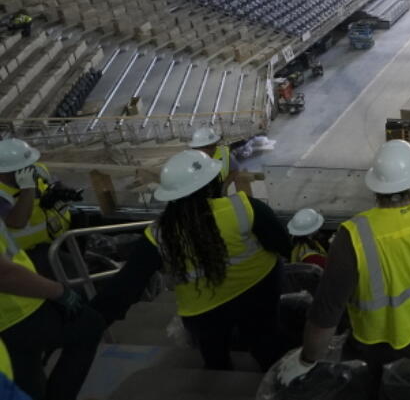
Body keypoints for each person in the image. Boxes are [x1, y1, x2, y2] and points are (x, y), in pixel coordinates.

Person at [279, 140, 410, 388]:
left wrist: (306, 360)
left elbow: (325, 316)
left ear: (376, 187)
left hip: (382, 355)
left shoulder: (353, 236)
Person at [94, 150, 291, 370]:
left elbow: (127, 284)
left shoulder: (160, 234)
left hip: (204, 311)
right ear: (212, 183)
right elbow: (282, 244)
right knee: (266, 341)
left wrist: (89, 321)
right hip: (258, 293)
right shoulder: (245, 208)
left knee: (215, 356)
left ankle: (220, 377)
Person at [0, 222, 104, 400]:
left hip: (18, 311)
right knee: (88, 326)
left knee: (29, 379)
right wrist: (59, 291)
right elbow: (5, 275)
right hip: (16, 314)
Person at [0, 140, 72, 274]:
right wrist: (28, 188)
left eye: (29, 165)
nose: (28, 170)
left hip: (58, 237)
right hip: (28, 254)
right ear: (3, 171)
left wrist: (60, 192)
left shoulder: (38, 169)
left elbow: (55, 184)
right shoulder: (2, 194)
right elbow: (17, 222)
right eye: (20, 168)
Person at [188, 128, 234, 193]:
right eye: (207, 147)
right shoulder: (190, 159)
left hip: (219, 189)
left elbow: (233, 171)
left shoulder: (225, 152)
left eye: (213, 146)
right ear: (196, 148)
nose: (212, 150)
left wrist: (225, 186)